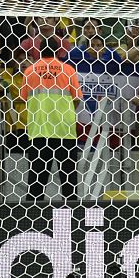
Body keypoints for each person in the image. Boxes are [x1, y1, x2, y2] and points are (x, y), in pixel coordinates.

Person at [21, 39, 83, 202]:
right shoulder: (68, 70)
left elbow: (23, 99)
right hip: (64, 130)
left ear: (40, 51)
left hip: (39, 130)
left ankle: (33, 222)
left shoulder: (30, 71)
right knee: (69, 184)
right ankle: (70, 223)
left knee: (36, 184)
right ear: (58, 51)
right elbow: (77, 98)